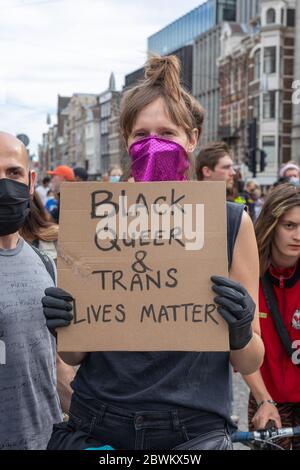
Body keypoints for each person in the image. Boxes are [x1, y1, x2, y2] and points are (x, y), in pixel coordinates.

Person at [43, 55, 264, 450]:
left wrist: (241, 325)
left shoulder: (230, 222)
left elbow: (250, 360)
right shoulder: (94, 219)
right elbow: (75, 354)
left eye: (167, 132)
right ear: (127, 140)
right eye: (142, 134)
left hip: (194, 429)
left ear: (192, 139)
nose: (154, 144)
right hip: (100, 420)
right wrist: (65, 321)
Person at [0, 131, 62, 449]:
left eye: (13, 173)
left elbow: (53, 366)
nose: (4, 185)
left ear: (30, 180)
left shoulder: (43, 261)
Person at [243, 184, 300, 449]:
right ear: (271, 224)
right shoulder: (246, 273)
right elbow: (239, 345)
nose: (298, 235)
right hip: (267, 395)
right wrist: (263, 399)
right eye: (289, 226)